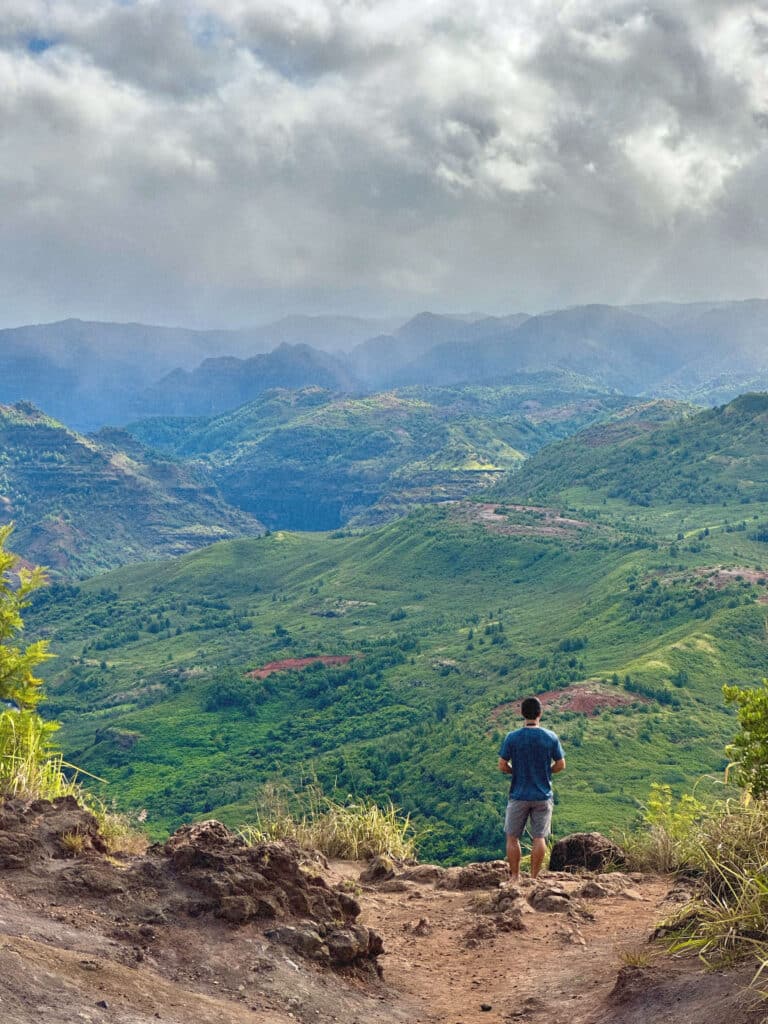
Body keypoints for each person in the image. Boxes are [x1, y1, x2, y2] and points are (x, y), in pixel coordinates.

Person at [497, 696, 565, 882]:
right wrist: (546, 772)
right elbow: (561, 764)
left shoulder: (512, 737)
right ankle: (534, 878)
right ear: (539, 714)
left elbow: (502, 765)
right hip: (542, 795)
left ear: (522, 714)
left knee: (512, 837)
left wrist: (515, 772)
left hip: (519, 794)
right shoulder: (550, 737)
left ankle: (515, 877)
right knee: (539, 837)